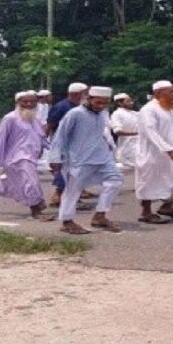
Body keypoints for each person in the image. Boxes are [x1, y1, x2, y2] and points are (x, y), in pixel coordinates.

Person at [49, 86, 125, 235]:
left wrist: (110, 147)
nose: (101, 106)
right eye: (98, 102)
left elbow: (103, 133)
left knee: (115, 180)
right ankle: (67, 221)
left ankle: (100, 215)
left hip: (102, 157)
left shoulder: (103, 113)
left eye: (105, 103)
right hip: (78, 159)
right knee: (73, 190)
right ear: (89, 99)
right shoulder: (75, 114)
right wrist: (55, 157)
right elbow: (61, 135)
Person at [0, 91, 48, 219]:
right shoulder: (10, 118)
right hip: (17, 158)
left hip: (30, 157)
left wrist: (43, 148)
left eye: (32, 101)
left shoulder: (33, 118)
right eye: (25, 101)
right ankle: (36, 211)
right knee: (31, 182)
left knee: (6, 183)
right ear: (18, 102)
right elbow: (0, 140)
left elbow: (39, 136)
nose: (29, 104)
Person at [135, 81, 173, 224]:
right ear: (158, 93)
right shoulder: (148, 110)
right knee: (149, 182)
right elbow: (151, 132)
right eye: (170, 92)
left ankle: (167, 207)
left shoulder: (169, 109)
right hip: (153, 154)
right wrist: (168, 150)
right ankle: (146, 212)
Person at [46, 83, 89, 207]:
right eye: (85, 93)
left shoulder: (83, 107)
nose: (87, 96)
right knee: (66, 170)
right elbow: (50, 125)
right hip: (65, 144)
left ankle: (69, 196)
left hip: (79, 144)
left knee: (75, 171)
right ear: (75, 94)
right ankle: (58, 196)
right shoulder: (62, 107)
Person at [109, 93, 140, 171]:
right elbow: (117, 131)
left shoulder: (135, 114)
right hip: (127, 146)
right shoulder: (117, 114)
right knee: (129, 168)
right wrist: (135, 133)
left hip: (139, 145)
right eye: (128, 101)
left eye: (131, 100)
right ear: (120, 103)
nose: (131, 103)